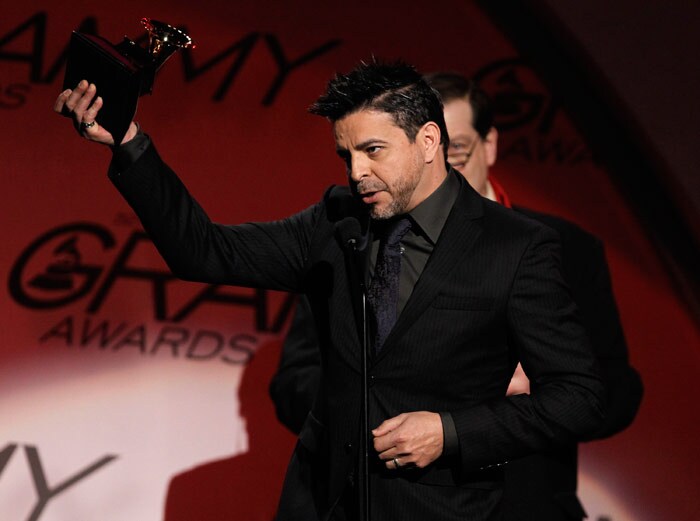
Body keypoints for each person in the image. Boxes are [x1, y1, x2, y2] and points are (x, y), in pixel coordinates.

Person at [55, 61, 605, 521]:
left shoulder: (516, 246)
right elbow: (203, 250)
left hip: (437, 511)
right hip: (318, 508)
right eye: (346, 156)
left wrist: (453, 431)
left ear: (429, 140)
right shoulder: (334, 223)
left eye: (373, 151)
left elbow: (579, 396)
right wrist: (127, 144)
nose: (357, 172)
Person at [270, 71, 643, 520]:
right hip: (388, 497)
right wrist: (385, 402)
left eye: (457, 147)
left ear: (489, 146)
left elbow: (611, 391)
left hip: (527, 502)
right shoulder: (353, 238)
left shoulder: (563, 246)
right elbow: (297, 381)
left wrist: (522, 395)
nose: (440, 158)